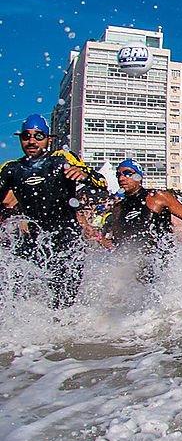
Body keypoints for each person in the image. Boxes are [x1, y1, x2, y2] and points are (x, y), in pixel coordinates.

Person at [0, 114, 107, 307]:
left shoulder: (61, 160)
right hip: (35, 241)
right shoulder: (11, 169)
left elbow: (102, 183)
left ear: (49, 139)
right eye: (26, 136)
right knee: (16, 288)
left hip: (67, 240)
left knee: (64, 300)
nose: (32, 141)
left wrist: (85, 174)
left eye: (38, 136)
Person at [103, 159, 182, 273]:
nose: (121, 178)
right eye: (119, 175)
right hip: (136, 266)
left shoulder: (157, 197)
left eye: (127, 173)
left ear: (138, 177)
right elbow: (119, 241)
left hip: (163, 263)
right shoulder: (118, 208)